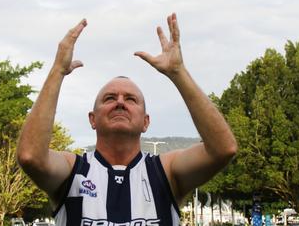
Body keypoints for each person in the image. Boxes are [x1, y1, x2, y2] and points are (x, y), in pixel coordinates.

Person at [17, 13, 237, 225]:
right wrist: (57, 71)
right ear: (92, 120)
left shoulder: (165, 171)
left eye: (131, 99)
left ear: (145, 122)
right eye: (109, 98)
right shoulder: (73, 170)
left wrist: (178, 72)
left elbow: (223, 149)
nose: (120, 102)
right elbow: (30, 156)